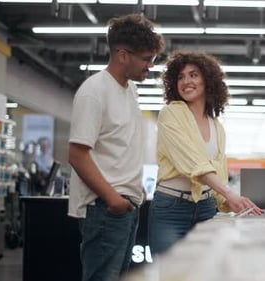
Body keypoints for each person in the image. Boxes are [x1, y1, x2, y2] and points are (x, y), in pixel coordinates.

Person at [67, 14, 165, 281]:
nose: (150, 66)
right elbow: (77, 154)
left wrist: (136, 186)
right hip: (104, 209)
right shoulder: (94, 92)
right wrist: (112, 198)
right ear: (123, 54)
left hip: (126, 206)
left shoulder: (130, 90)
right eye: (146, 59)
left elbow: (120, 144)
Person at [148, 50, 263, 256]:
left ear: (207, 81)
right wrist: (230, 194)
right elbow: (194, 163)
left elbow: (218, 174)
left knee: (203, 271)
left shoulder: (216, 125)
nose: (186, 81)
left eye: (193, 75)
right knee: (171, 274)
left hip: (206, 207)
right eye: (180, 77)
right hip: (171, 209)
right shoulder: (171, 113)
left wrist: (237, 204)